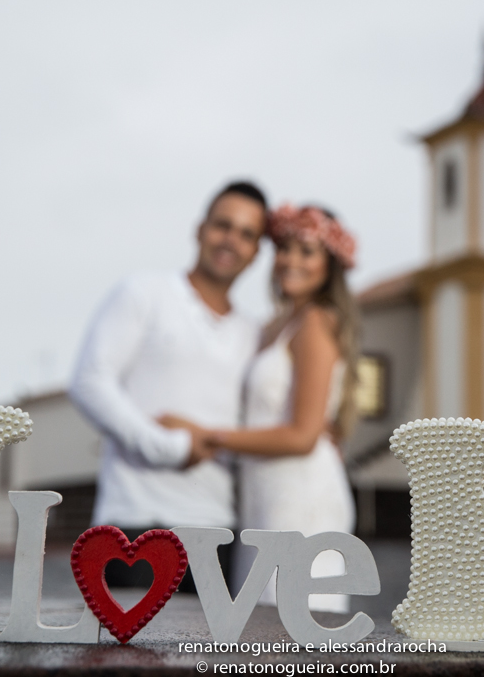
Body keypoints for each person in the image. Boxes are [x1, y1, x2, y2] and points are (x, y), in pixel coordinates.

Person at [69, 181, 268, 592]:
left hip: (220, 532)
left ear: (256, 252)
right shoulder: (144, 292)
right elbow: (90, 381)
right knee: (125, 656)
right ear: (200, 229)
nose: (231, 239)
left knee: (207, 658)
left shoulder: (254, 334)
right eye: (222, 225)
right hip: (138, 524)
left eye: (246, 233)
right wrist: (166, 446)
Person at [160, 203, 360, 612]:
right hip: (265, 492)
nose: (290, 260)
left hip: (299, 493)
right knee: (258, 620)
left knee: (296, 621)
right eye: (284, 249)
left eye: (307, 251)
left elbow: (303, 436)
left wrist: (206, 436)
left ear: (330, 265)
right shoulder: (280, 325)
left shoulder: (316, 323)